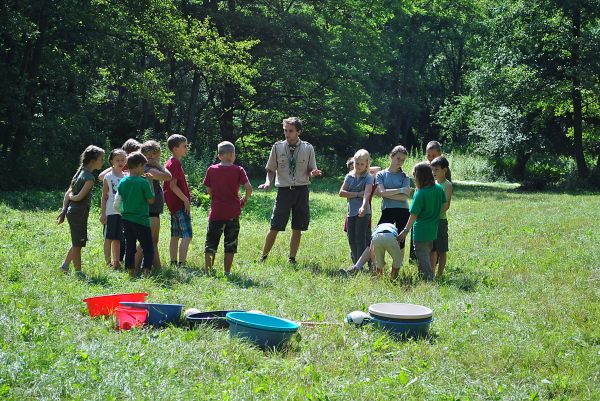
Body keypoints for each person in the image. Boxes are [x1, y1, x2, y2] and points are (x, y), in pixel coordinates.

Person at [258, 117, 322, 264]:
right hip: (284, 191)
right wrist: (268, 182)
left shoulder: (308, 148)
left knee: (297, 226)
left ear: (298, 131)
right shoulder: (277, 147)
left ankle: (292, 258)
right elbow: (271, 169)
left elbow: (311, 169)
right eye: (285, 130)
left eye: (291, 131)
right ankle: (263, 257)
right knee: (275, 225)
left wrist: (313, 173)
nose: (287, 134)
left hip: (301, 190)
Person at [202, 141, 253, 276]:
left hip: (216, 212)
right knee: (230, 244)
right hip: (233, 212)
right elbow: (248, 188)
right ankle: (227, 272)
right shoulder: (238, 170)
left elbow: (209, 189)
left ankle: (208, 272)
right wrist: (244, 199)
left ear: (220, 156)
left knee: (211, 242)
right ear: (232, 154)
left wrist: (215, 200)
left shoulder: (211, 169)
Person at [57, 145, 105, 278]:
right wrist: (72, 198)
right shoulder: (89, 178)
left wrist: (63, 210)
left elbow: (68, 193)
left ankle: (65, 266)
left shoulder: (79, 172)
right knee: (78, 243)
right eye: (101, 159)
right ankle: (78, 272)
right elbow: (77, 196)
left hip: (73, 211)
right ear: (93, 160)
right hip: (79, 212)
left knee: (77, 241)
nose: (103, 161)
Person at [398, 162, 447, 281]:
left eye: (414, 175)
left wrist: (405, 231)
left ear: (420, 176)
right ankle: (427, 277)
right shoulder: (439, 188)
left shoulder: (420, 193)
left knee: (422, 257)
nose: (413, 178)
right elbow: (444, 204)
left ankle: (427, 280)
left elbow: (413, 215)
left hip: (421, 231)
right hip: (433, 229)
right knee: (428, 253)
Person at [114, 152, 155, 277]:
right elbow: (151, 200)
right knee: (148, 247)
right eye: (143, 167)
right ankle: (146, 272)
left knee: (130, 247)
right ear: (137, 166)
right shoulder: (143, 182)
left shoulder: (123, 181)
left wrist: (121, 212)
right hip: (141, 220)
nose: (143, 170)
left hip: (126, 219)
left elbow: (118, 201)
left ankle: (131, 273)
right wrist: (150, 182)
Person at [135, 140, 172, 271]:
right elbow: (168, 176)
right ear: (150, 156)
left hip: (154, 210)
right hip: (149, 209)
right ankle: (133, 267)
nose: (157, 157)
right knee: (146, 241)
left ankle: (158, 268)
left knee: (153, 241)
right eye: (156, 155)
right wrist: (158, 164)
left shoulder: (149, 168)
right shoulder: (149, 169)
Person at [374, 145, 411, 263]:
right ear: (391, 156)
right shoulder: (381, 174)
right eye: (398, 158)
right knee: (379, 235)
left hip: (403, 210)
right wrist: (400, 190)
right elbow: (382, 192)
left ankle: (397, 266)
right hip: (388, 209)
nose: (400, 162)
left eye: (403, 160)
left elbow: (405, 197)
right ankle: (379, 264)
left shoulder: (405, 176)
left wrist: (388, 193)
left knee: (401, 240)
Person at [339, 149, 374, 267]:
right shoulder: (349, 176)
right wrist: (357, 194)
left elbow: (367, 193)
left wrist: (363, 207)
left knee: (360, 239)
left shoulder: (368, 177)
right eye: (356, 163)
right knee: (351, 239)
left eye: (361, 164)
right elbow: (341, 192)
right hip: (351, 212)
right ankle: (356, 263)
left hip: (363, 212)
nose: (358, 166)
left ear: (367, 164)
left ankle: (359, 266)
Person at [163, 134, 192, 266]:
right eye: (184, 146)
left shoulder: (170, 161)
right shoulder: (175, 163)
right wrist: (185, 200)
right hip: (179, 204)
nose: (187, 148)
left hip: (173, 205)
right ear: (175, 149)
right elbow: (172, 185)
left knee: (175, 235)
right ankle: (182, 263)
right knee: (187, 235)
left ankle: (174, 262)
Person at [100, 148, 127, 269]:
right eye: (117, 160)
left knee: (118, 238)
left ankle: (116, 261)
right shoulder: (108, 177)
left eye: (123, 159)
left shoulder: (126, 176)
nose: (120, 162)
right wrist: (103, 213)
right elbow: (104, 196)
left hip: (122, 211)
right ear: (111, 161)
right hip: (110, 211)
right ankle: (107, 262)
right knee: (109, 237)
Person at [430, 156, 453, 277]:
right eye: (432, 170)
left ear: (444, 170)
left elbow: (446, 205)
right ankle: (432, 273)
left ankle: (440, 274)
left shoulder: (447, 185)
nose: (433, 172)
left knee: (441, 250)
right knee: (432, 249)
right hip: (431, 221)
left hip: (440, 221)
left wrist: (434, 212)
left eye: (436, 170)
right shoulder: (432, 184)